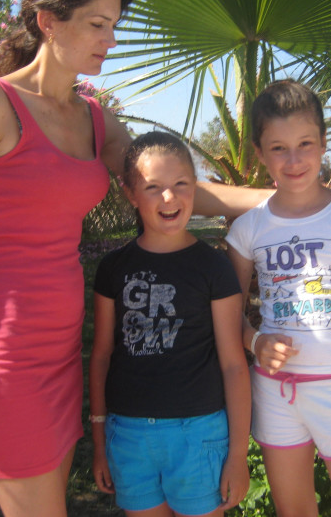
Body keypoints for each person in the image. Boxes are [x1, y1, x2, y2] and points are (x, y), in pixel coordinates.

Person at [0, 0, 268, 516]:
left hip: (64, 353)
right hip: (8, 350)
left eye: (114, 25)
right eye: (98, 24)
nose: (112, 40)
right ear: (48, 22)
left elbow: (170, 187)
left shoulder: (96, 120)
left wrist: (280, 200)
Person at [225, 79, 331, 517]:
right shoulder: (247, 230)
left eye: (305, 143)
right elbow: (227, 319)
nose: (294, 159)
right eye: (278, 148)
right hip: (275, 395)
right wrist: (255, 342)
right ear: (260, 153)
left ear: (323, 142)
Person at [89, 132, 251, 517]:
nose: (169, 197)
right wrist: (99, 442)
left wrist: (238, 455)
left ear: (195, 186)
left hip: (199, 434)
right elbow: (102, 356)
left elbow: (233, 364)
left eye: (181, 184)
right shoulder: (113, 268)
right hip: (128, 437)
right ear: (131, 194)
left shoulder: (214, 267)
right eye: (153, 187)